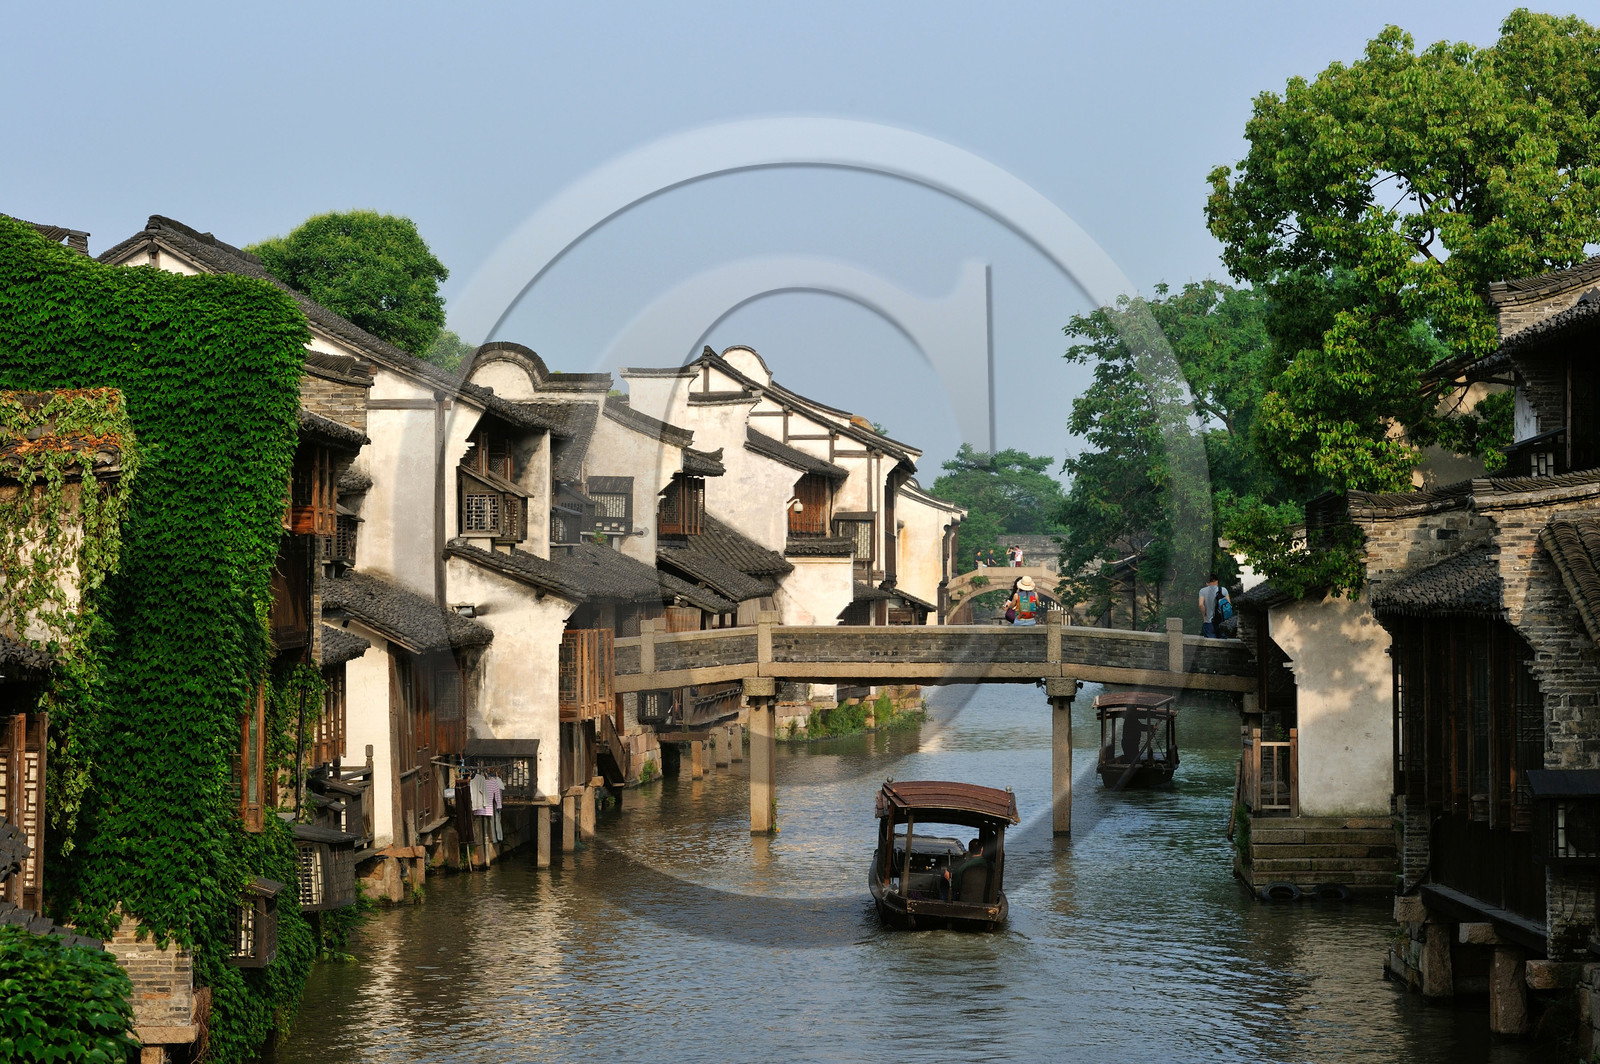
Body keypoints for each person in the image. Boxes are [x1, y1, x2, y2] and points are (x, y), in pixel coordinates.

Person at [1198, 573, 1229, 638]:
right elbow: (1229, 604)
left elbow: (1201, 604)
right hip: (1222, 622)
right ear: (1217, 581)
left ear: (1207, 583)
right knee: (1223, 645)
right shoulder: (1224, 590)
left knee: (1210, 645)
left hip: (1209, 622)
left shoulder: (1202, 591)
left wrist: (1204, 616)